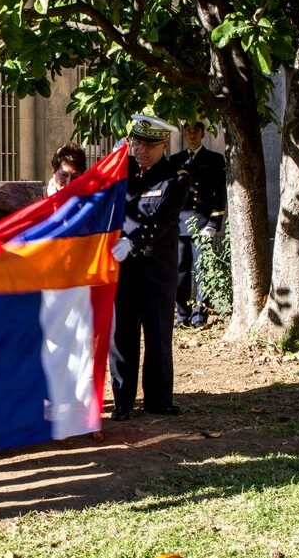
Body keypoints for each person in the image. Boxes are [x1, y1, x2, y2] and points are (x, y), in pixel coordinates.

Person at [109, 114, 190, 421]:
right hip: (125, 269)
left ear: (164, 144)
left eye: (149, 145)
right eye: (137, 143)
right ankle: (122, 400)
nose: (141, 150)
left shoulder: (176, 177)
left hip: (157, 269)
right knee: (122, 337)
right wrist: (112, 160)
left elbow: (163, 220)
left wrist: (133, 242)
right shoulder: (124, 169)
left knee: (157, 336)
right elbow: (96, 189)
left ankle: (158, 399)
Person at [170, 118, 227, 328]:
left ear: (203, 133)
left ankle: (199, 316)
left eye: (196, 130)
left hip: (203, 225)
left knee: (203, 271)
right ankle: (182, 315)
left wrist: (214, 222)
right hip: (179, 225)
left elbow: (220, 193)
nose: (191, 134)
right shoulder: (174, 161)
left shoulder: (214, 159)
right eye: (187, 130)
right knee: (180, 271)